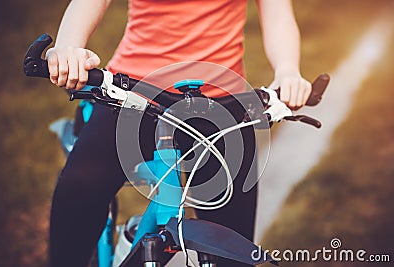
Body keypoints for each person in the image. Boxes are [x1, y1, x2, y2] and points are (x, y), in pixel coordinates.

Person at [46, 1, 312, 267]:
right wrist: (70, 46)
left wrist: (288, 70)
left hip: (222, 104)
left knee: (234, 252)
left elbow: (276, 11)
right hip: (134, 93)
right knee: (78, 190)